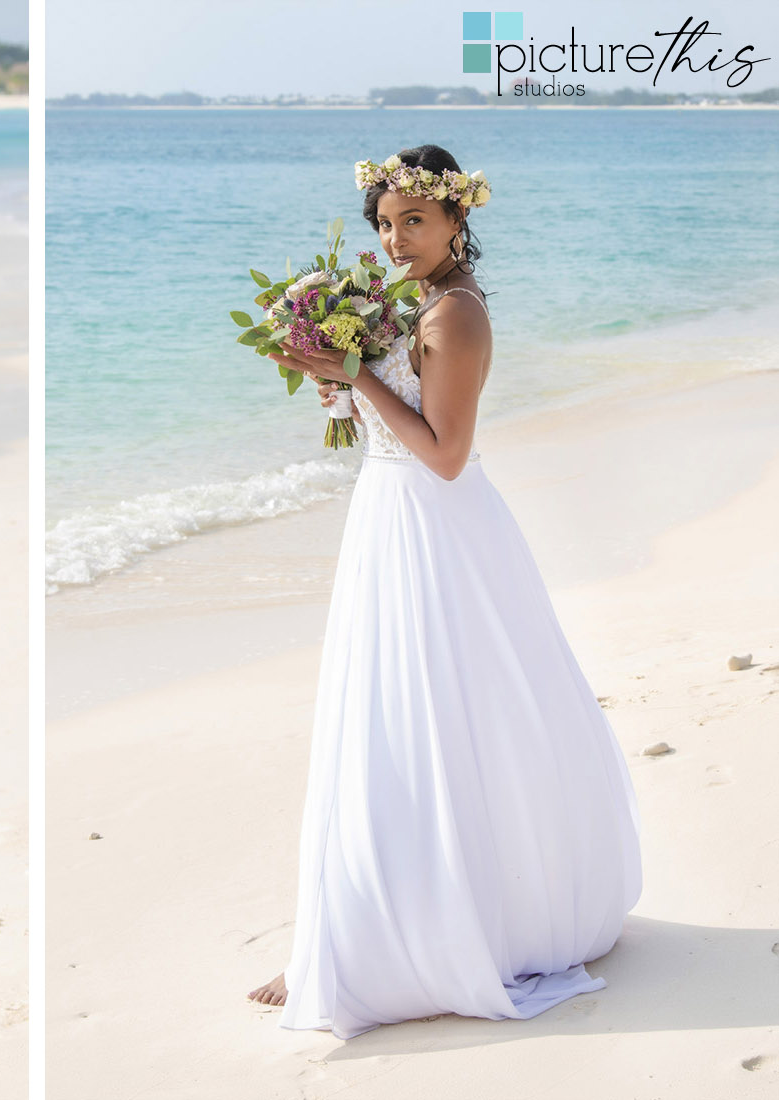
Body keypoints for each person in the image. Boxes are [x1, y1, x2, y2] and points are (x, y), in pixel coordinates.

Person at [247, 147, 642, 1037]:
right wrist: (340, 389)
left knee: (432, 719)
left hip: (436, 527)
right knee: (383, 723)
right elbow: (395, 412)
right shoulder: (413, 304)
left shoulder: (454, 314)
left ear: (459, 220)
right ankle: (352, 930)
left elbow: (447, 454)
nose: (394, 240)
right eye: (384, 224)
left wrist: (357, 382)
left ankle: (410, 936)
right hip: (389, 521)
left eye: (414, 222)